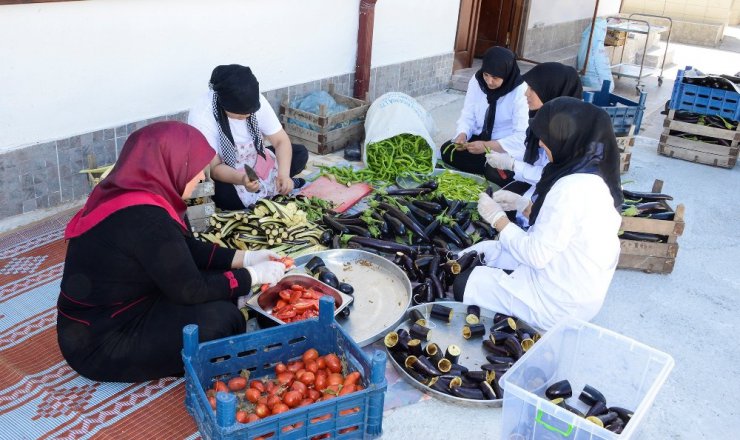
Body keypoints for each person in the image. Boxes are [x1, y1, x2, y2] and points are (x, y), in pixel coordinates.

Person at [57, 121, 287, 382]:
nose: (202, 177)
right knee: (224, 319)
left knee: (220, 290)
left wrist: (244, 258)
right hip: (100, 343)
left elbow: (182, 250)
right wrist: (252, 276)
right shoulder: (146, 218)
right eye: (196, 169)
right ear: (169, 163)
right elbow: (191, 289)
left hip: (125, 307)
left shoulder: (132, 191)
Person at [453, 97, 623, 330]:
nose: (541, 144)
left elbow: (536, 255)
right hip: (572, 279)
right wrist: (523, 204)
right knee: (484, 251)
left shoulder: (570, 189)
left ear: (569, 139)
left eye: (547, 138)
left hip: (558, 302)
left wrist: (497, 219)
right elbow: (561, 228)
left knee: (462, 283)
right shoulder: (592, 177)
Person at [188, 64, 309, 210]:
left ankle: (280, 183)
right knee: (225, 197)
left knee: (299, 153)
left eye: (249, 113)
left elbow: (281, 141)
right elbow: (214, 168)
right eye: (240, 115)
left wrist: (283, 175)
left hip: (254, 159)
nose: (246, 116)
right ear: (224, 105)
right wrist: (243, 179)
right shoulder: (203, 116)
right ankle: (270, 188)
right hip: (227, 169)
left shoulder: (255, 100)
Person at [485, 62, 584, 195]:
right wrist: (507, 157)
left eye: (532, 89)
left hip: (557, 194)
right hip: (538, 182)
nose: (526, 93)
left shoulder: (568, 130)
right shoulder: (545, 116)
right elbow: (536, 157)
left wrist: (512, 164)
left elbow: (551, 176)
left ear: (551, 90)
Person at [440, 47, 528, 186]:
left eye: (495, 77)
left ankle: (488, 167)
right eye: (486, 74)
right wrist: (462, 134)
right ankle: (484, 165)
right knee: (448, 150)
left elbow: (522, 136)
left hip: (504, 145)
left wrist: (487, 145)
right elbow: (468, 114)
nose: (489, 81)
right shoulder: (477, 81)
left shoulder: (520, 92)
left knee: (494, 171)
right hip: (480, 139)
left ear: (507, 74)